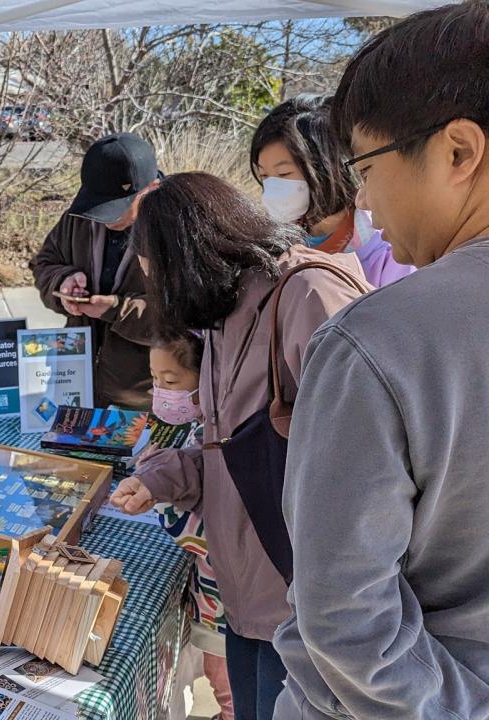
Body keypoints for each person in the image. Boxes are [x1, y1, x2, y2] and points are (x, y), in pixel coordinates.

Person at [273, 3, 489, 717]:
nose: (361, 198)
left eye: (366, 165)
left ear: (459, 152)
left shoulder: (377, 344)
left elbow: (344, 618)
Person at [107, 173, 365, 720]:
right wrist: (160, 478)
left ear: (187, 256)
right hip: (246, 593)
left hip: (304, 604)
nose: (154, 287)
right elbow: (230, 453)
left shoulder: (307, 296)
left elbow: (371, 463)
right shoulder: (223, 315)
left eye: (155, 270)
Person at [30, 132, 160, 411]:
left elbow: (185, 318)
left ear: (151, 188)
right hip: (76, 387)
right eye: (99, 207)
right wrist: (63, 282)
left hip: (144, 399)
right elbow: (44, 263)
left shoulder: (179, 230)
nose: (104, 217)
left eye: (115, 208)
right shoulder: (78, 216)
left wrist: (115, 309)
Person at [143, 334, 233, 720]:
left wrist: (161, 497)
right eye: (154, 379)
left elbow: (208, 535)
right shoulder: (196, 428)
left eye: (172, 381)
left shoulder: (214, 436)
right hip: (216, 597)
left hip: (227, 603)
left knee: (225, 676)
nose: (161, 391)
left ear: (206, 379)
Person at [251, 95, 413, 287]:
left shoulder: (389, 248)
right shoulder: (269, 245)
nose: (272, 189)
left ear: (329, 168)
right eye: (264, 176)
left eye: (284, 173)